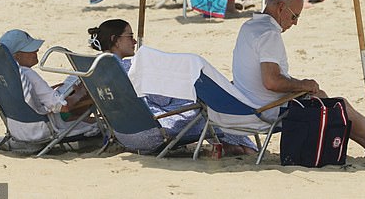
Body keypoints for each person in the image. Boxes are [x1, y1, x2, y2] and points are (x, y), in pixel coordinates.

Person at [231, 0, 365, 162]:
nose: (295, 23)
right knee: (336, 105)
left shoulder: (249, 27)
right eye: (294, 16)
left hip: (246, 102)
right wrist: (303, 84)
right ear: (281, 8)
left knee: (325, 101)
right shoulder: (269, 35)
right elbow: (272, 81)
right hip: (265, 109)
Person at [87, 19, 257, 156]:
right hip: (150, 135)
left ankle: (230, 146)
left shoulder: (96, 68)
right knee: (209, 107)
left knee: (197, 105)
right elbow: (161, 98)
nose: (133, 41)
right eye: (129, 36)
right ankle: (248, 148)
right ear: (115, 40)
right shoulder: (133, 68)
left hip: (123, 135)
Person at [0, 29, 99, 141]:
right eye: (30, 50)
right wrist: (80, 93)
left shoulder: (5, 76)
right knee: (96, 119)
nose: (36, 50)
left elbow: (22, 99)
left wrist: (45, 92)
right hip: (42, 130)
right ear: (17, 57)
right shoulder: (28, 74)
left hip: (17, 129)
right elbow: (62, 107)